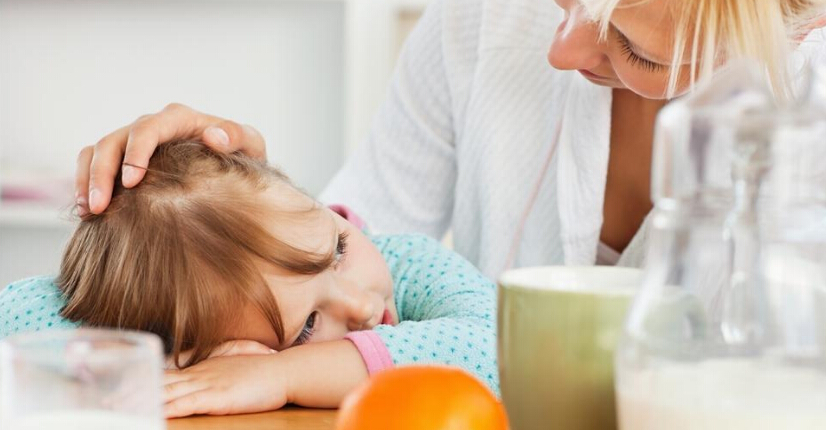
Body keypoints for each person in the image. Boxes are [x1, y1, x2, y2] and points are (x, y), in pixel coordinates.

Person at [72, 0, 826, 278]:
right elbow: (355, 253)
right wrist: (247, 195)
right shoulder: (479, 19)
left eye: (638, 51)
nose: (560, 51)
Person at [0, 141, 497, 418]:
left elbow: (499, 347)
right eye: (306, 327)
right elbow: (16, 313)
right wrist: (181, 360)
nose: (363, 307)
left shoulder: (411, 263)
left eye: (338, 250)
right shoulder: (202, 348)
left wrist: (281, 374)